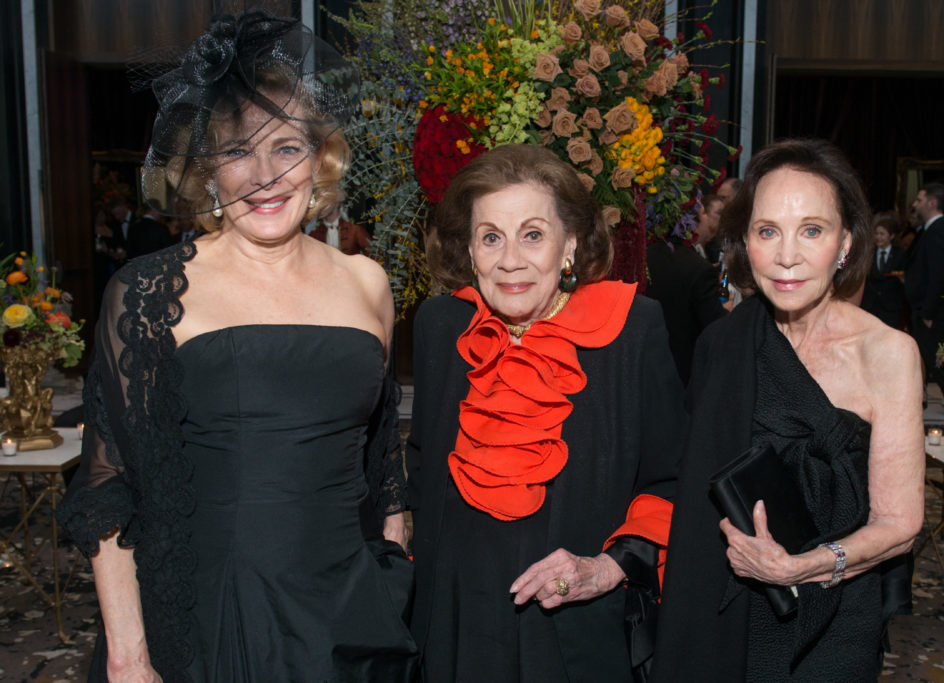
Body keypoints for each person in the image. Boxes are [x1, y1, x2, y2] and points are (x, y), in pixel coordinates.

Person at [57, 11, 417, 681]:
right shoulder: (146, 290)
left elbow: (379, 463)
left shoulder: (367, 283)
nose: (264, 174)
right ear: (207, 173)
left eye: (286, 148)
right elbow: (109, 488)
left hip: (350, 620)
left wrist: (391, 573)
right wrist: (129, 655)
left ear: (320, 158)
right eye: (236, 151)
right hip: (213, 620)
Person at [407, 143, 683, 681]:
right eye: (491, 238)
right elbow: (422, 467)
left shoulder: (631, 332)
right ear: (469, 251)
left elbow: (672, 480)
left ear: (570, 245)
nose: (511, 259)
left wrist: (608, 568)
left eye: (533, 235)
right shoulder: (441, 327)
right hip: (456, 630)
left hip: (577, 632)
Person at [653, 139, 924, 681]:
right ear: (745, 242)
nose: (787, 256)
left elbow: (900, 523)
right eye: (768, 230)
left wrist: (808, 566)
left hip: (835, 614)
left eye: (812, 230)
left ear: (844, 243)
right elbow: (691, 498)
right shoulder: (722, 345)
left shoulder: (888, 353)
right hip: (728, 607)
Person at [905, 182, 944, 433]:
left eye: (919, 200)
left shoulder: (939, 231)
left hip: (931, 315)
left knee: (941, 371)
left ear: (932, 203)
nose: (915, 204)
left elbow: (938, 276)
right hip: (924, 312)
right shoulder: (929, 230)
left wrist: (929, 313)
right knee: (927, 369)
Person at [646, 235, 726, 385]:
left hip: (650, 367)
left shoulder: (644, 254)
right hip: (685, 372)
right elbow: (716, 329)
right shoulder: (698, 268)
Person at [860, 214, 906, 329]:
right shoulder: (869, 253)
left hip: (890, 307)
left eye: (882, 234)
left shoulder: (900, 255)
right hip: (870, 306)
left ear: (891, 236)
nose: (878, 237)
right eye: (876, 234)